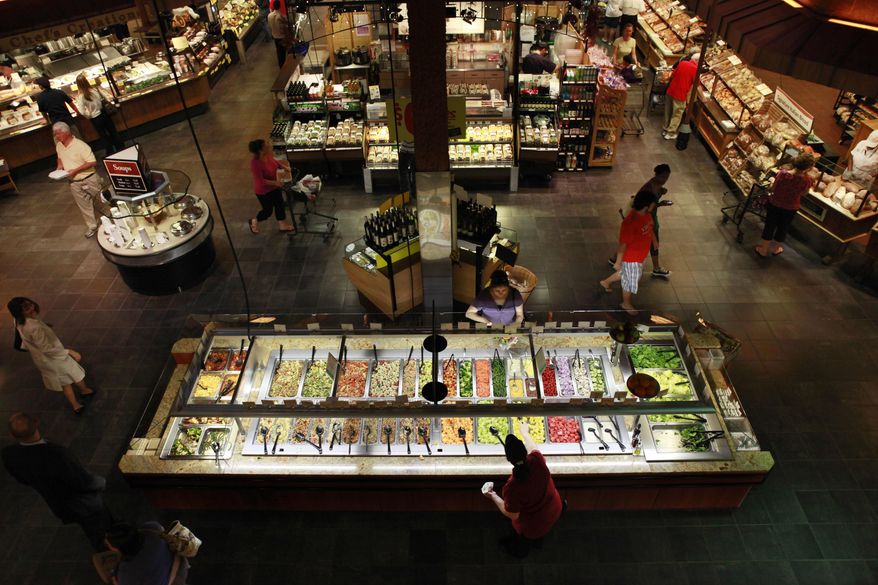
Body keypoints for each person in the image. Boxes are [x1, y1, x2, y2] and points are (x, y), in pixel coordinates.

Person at [2, 413, 112, 550]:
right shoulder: (56, 454)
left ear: (13, 435)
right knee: (99, 527)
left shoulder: (9, 454)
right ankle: (111, 550)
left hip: (58, 502)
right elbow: (82, 481)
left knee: (88, 526)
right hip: (83, 502)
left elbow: (22, 479)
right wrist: (101, 483)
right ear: (36, 423)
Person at [482, 420, 563, 558]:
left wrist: (492, 495)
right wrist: (525, 433)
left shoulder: (512, 487)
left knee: (524, 542)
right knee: (541, 533)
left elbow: (513, 514)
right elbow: (534, 448)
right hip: (554, 508)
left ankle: (520, 552)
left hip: (532, 524)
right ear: (525, 453)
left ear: (508, 460)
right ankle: (538, 543)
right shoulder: (537, 461)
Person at [7, 297, 95, 413]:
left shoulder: (17, 320)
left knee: (64, 383)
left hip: (42, 361)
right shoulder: (34, 327)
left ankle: (75, 405)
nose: (31, 308)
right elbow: (47, 349)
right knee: (76, 374)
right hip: (56, 359)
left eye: (29, 304)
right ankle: (85, 391)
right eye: (26, 308)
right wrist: (69, 351)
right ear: (20, 312)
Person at [600, 190, 657, 315]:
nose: (655, 205)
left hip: (639, 256)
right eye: (654, 203)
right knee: (630, 280)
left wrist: (654, 240)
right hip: (632, 258)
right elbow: (623, 245)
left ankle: (606, 282)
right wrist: (618, 262)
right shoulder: (630, 223)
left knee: (625, 273)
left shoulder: (646, 215)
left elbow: (650, 226)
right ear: (647, 205)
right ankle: (626, 303)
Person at [755, 154, 815, 258]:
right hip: (791, 207)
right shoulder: (807, 180)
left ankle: (763, 249)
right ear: (808, 168)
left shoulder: (782, 174)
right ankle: (776, 248)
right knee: (783, 227)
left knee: (770, 225)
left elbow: (773, 188)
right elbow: (804, 193)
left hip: (775, 203)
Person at [54, 121, 102, 238]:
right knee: (84, 206)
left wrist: (75, 170)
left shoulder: (81, 146)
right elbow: (60, 157)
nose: (56, 136)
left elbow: (92, 162)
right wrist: (59, 167)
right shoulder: (59, 145)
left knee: (101, 201)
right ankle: (92, 226)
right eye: (55, 134)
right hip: (74, 183)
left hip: (89, 179)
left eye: (58, 134)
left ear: (66, 133)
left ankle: (111, 221)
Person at [101, 522, 189, 585]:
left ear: (118, 549)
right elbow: (162, 530)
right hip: (180, 566)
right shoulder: (151, 528)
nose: (106, 541)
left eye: (109, 543)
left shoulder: (126, 573)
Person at [248, 138, 294, 234]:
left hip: (274, 187)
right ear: (261, 149)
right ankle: (255, 221)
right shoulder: (255, 164)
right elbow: (261, 181)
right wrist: (275, 183)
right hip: (263, 191)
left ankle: (282, 225)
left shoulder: (267, 155)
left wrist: (284, 167)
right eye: (266, 145)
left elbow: (274, 162)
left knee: (279, 204)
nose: (269, 145)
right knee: (268, 211)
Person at [74, 74, 125, 155]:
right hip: (104, 114)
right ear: (87, 81)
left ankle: (111, 152)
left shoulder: (80, 96)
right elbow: (107, 98)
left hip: (95, 118)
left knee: (103, 136)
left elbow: (82, 111)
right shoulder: (95, 90)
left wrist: (89, 115)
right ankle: (121, 148)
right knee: (113, 132)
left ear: (78, 85)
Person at [662, 53, 699, 140]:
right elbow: (697, 84)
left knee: (668, 111)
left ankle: (665, 129)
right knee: (677, 114)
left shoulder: (682, 63)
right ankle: (670, 133)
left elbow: (673, 74)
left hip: (671, 90)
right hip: (680, 94)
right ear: (697, 61)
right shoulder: (695, 69)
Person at [268, 1, 291, 67]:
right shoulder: (282, 16)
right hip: (282, 36)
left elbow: (270, 26)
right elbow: (285, 27)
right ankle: (285, 65)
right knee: (284, 51)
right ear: (280, 6)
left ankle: (281, 66)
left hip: (275, 36)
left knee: (279, 51)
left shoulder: (269, 16)